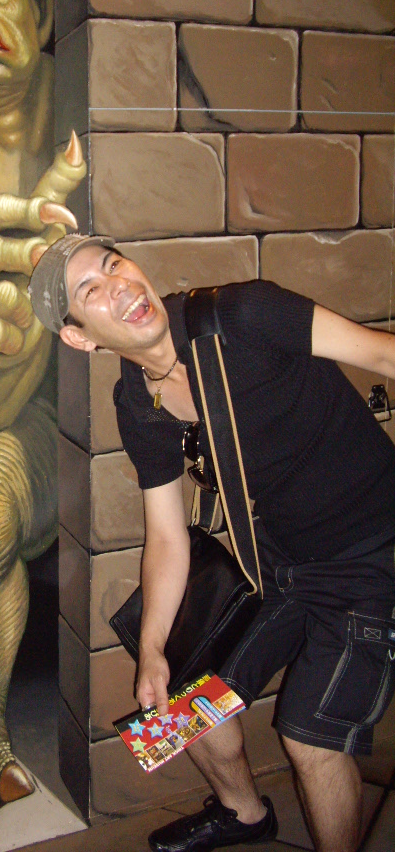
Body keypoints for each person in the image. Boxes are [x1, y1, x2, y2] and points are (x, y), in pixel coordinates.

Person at [28, 234, 395, 852]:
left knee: (308, 736)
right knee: (181, 695)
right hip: (280, 563)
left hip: (373, 553)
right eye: (91, 290)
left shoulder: (244, 315)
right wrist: (152, 650)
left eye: (114, 265)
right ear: (79, 337)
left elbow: (384, 353)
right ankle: (243, 813)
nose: (120, 285)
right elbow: (167, 536)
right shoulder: (137, 400)